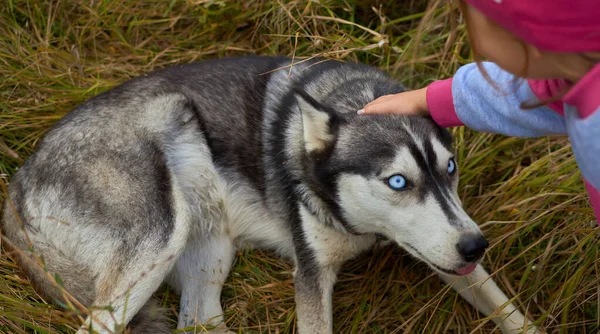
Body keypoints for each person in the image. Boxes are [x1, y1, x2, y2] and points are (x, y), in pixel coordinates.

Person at [359, 0, 600, 223]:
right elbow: (521, 91)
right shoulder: (572, 68)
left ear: (529, 37)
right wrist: (427, 99)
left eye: (472, 20)